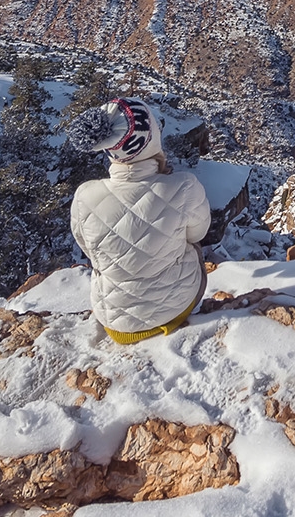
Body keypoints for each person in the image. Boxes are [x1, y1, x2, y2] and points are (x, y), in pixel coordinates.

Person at [66, 98, 211, 344]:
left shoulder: (84, 196)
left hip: (113, 321)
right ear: (151, 139)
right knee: (192, 245)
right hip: (175, 309)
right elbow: (198, 234)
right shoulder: (184, 186)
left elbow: (88, 249)